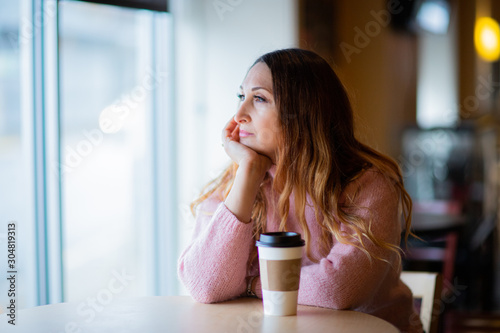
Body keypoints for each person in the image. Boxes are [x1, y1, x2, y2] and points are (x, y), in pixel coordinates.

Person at [178, 48, 423, 332]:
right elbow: (205, 285)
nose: (239, 114)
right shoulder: (237, 182)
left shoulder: (368, 185)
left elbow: (337, 288)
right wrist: (248, 173)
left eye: (259, 99)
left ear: (302, 113)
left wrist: (252, 283)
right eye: (240, 97)